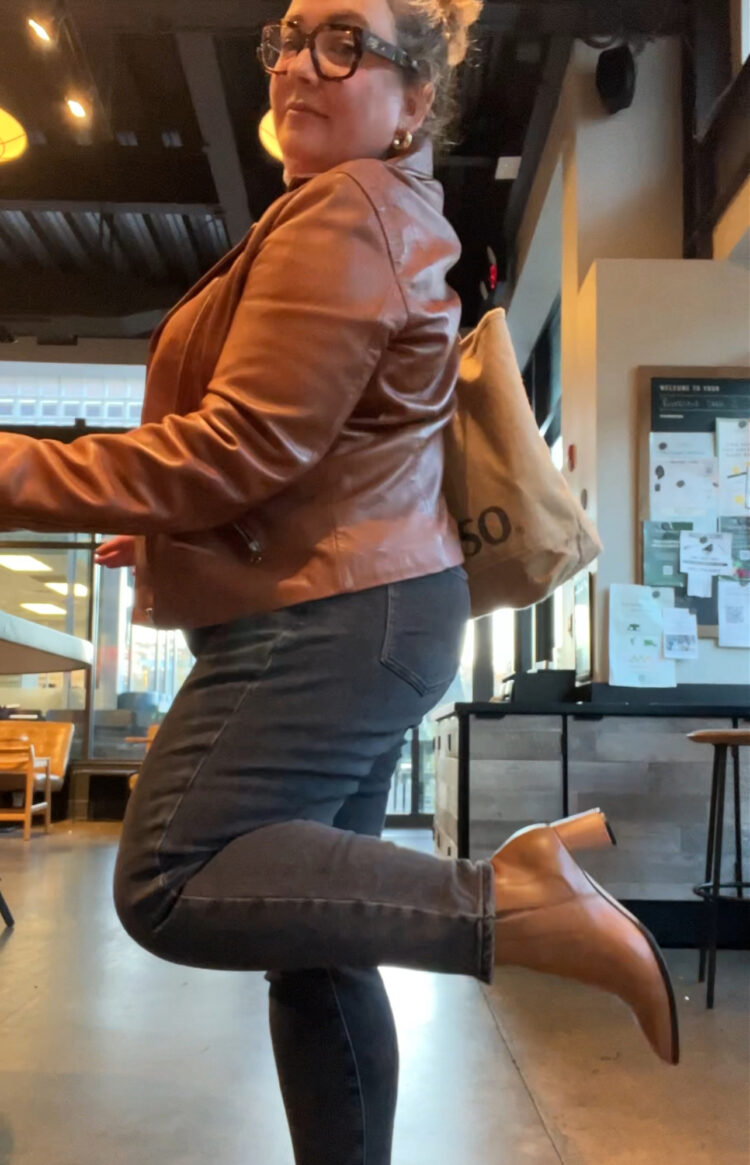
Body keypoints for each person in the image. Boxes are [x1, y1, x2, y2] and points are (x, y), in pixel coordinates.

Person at [0, 0, 678, 1160]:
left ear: (415, 96)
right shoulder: (365, 208)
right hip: (372, 604)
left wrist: (15, 467)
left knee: (169, 872)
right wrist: (159, 534)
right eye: (290, 38)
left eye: (345, 43)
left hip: (331, 618)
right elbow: (322, 452)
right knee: (317, 947)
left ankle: (509, 901)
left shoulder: (348, 210)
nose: (299, 67)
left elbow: (241, 447)